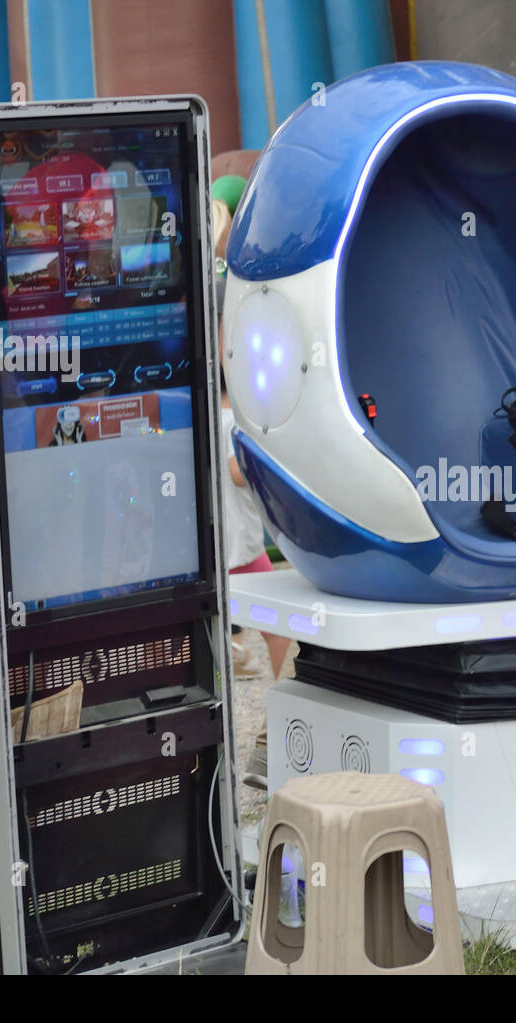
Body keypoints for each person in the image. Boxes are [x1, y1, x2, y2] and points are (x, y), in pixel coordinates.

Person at [212, 196, 291, 787]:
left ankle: (273, 740)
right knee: (284, 645)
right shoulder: (228, 424)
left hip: (238, 554)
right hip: (241, 555)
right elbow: (240, 475)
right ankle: (277, 737)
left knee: (276, 641)